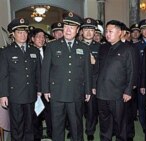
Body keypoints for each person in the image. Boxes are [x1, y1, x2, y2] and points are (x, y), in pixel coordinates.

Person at [41, 12, 92, 141]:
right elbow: (45, 70)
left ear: (78, 30)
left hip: (76, 94)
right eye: (66, 26)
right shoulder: (52, 46)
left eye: (72, 27)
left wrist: (87, 90)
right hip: (57, 94)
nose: (68, 30)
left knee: (76, 127)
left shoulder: (84, 48)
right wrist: (45, 90)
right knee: (57, 127)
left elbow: (87, 71)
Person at [0, 18, 41, 141]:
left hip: (30, 94)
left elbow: (38, 72)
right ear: (13, 34)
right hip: (15, 95)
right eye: (19, 32)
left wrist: (39, 90)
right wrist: (3, 95)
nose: (23, 35)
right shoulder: (6, 52)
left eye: (25, 32)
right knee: (17, 126)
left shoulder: (34, 51)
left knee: (30, 126)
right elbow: (3, 75)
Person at [96, 20, 135, 141]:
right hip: (102, 93)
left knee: (120, 124)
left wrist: (128, 91)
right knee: (104, 123)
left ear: (120, 32)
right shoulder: (102, 48)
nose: (107, 34)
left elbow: (131, 71)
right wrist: (93, 86)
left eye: (110, 31)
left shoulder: (127, 49)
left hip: (118, 94)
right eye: (106, 31)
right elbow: (97, 69)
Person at [30, 28, 52, 140]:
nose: (41, 39)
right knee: (36, 114)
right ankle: (37, 136)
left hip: (48, 89)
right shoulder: (28, 51)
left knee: (50, 113)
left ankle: (51, 133)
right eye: (38, 36)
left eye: (43, 37)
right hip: (35, 89)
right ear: (32, 38)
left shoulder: (49, 50)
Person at [81, 17, 100, 141]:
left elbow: (104, 68)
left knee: (92, 110)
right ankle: (74, 130)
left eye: (91, 30)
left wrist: (95, 62)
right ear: (81, 31)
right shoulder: (75, 46)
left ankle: (90, 131)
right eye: (86, 29)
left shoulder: (101, 47)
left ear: (95, 32)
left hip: (92, 84)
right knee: (76, 110)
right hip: (77, 84)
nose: (88, 32)